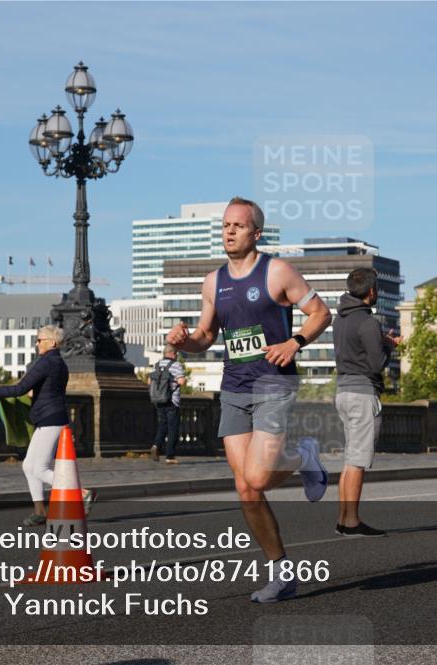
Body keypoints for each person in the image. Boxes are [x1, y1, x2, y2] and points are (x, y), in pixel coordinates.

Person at [166, 196, 332, 603]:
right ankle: (282, 573)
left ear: (256, 232)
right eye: (225, 225)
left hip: (274, 383)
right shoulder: (213, 282)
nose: (229, 231)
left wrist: (295, 342)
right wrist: (185, 342)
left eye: (238, 226)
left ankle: (305, 456)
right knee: (246, 490)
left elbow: (321, 313)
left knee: (257, 477)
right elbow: (207, 337)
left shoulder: (277, 271)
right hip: (234, 387)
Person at [0, 325, 95, 525]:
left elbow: (20, 388)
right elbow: (46, 389)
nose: (36, 343)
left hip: (50, 419)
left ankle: (82, 493)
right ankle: (40, 512)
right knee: (29, 466)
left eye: (39, 339)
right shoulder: (59, 363)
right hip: (50, 418)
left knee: (40, 469)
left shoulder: (45, 362)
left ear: (52, 342)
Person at [332, 267, 400, 537]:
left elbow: (355, 349)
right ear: (372, 292)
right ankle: (352, 522)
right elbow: (376, 364)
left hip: (343, 391)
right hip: (363, 393)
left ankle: (344, 518)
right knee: (358, 461)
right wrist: (389, 346)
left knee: (350, 460)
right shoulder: (368, 322)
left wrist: (378, 342)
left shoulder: (340, 319)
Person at [148, 344, 187, 464]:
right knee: (173, 428)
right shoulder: (176, 365)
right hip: (172, 401)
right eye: (176, 354)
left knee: (162, 425)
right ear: (173, 353)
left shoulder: (157, 364)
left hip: (159, 400)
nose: (176, 356)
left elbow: (150, 381)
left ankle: (156, 445)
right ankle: (170, 456)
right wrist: (181, 380)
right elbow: (181, 381)